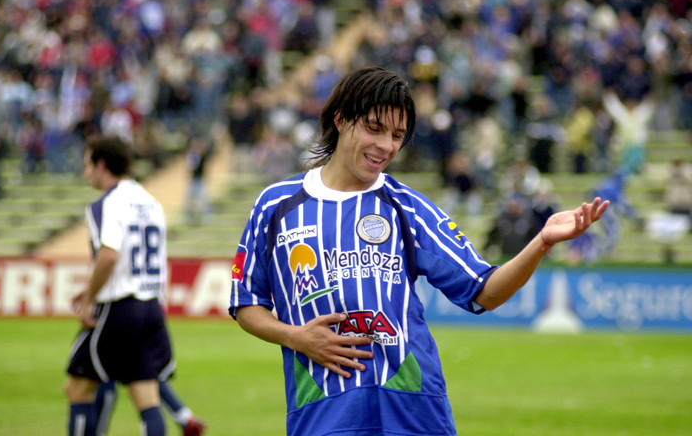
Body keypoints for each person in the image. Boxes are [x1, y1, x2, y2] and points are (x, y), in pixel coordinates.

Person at [228, 67, 610, 436]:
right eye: (374, 128)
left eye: (397, 135)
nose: (386, 145)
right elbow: (245, 303)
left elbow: (485, 290)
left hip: (413, 413)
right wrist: (297, 337)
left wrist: (541, 242)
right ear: (342, 119)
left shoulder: (406, 208)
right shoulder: (276, 205)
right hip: (323, 413)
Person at [64, 135, 204, 436]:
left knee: (77, 388)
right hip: (151, 307)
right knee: (147, 396)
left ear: (101, 165)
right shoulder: (151, 202)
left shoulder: (105, 204)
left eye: (87, 165)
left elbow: (109, 255)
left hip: (120, 307)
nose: (85, 172)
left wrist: (89, 298)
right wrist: (92, 287)